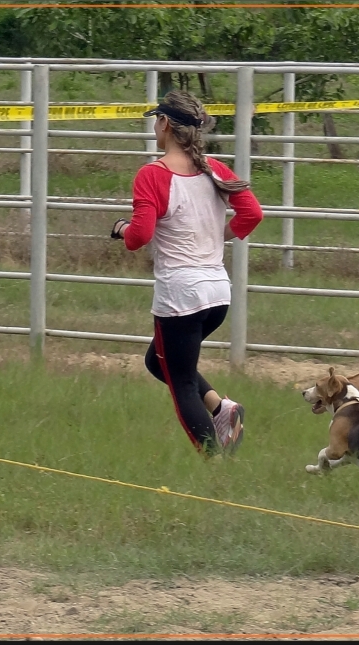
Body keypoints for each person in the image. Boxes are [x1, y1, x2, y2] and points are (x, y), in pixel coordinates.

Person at [110, 90, 264, 457]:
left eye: (156, 120)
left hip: (181, 297)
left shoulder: (153, 175)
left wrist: (121, 229)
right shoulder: (215, 169)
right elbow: (253, 214)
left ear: (164, 124)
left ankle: (213, 460)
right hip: (217, 294)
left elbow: (140, 237)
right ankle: (222, 408)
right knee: (157, 360)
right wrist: (220, 237)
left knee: (179, 380)